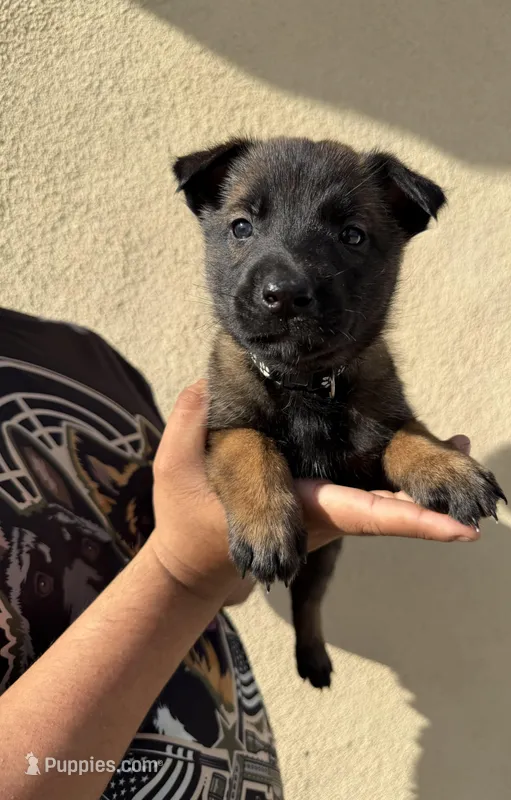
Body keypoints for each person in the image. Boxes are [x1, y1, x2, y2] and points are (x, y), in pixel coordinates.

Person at [0, 308, 478, 800]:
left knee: (317, 569)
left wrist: (408, 452)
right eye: (241, 229)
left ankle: (308, 627)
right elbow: (229, 450)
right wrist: (183, 571)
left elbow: (233, 563)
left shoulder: (81, 352)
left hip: (239, 759)